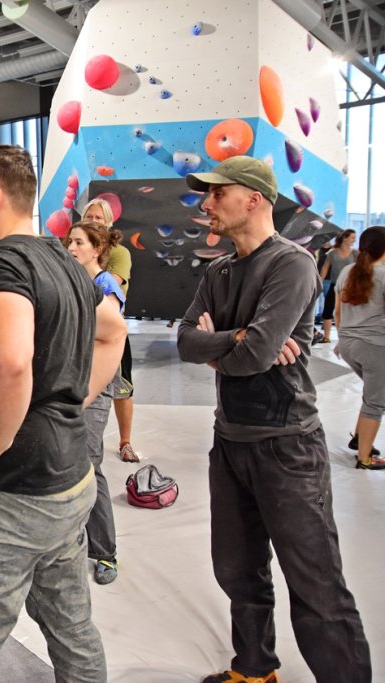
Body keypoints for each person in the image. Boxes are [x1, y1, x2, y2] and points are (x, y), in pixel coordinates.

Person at [0, 144, 126, 682]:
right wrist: (72, 399)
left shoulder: (0, 265)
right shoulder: (64, 260)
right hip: (70, 482)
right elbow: (115, 332)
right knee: (72, 630)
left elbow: (11, 362)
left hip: (13, 494)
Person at [177, 156, 370, 683]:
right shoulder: (218, 271)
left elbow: (257, 353)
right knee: (238, 573)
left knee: (317, 586)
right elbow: (184, 340)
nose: (206, 203)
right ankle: (255, 669)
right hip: (230, 440)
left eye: (218, 194)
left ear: (255, 199)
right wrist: (233, 343)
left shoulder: (292, 264)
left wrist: (229, 346)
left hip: (288, 447)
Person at [64, 220, 125, 585]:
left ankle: (105, 552)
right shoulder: (74, 281)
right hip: (71, 378)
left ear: (97, 249)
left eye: (79, 242)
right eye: (69, 240)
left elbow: (111, 336)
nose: (71, 247)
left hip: (98, 382)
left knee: (89, 463)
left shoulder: (105, 285)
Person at [82, 197, 140, 463]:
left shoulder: (119, 253)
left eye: (99, 217)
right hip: (81, 333)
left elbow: (110, 288)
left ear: (108, 222)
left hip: (110, 334)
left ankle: (125, 441)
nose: (93, 221)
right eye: (89, 216)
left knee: (122, 388)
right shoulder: (75, 249)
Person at [335, 226, 385, 469]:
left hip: (347, 344)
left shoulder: (348, 271)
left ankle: (359, 439)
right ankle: (365, 458)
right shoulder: (384, 274)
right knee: (376, 401)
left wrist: (341, 337)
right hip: (375, 346)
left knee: (372, 394)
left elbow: (337, 311)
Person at [318, 229, 356, 344]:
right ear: (345, 238)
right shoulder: (332, 252)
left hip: (350, 287)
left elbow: (359, 269)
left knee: (347, 312)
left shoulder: (355, 253)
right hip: (334, 285)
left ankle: (344, 337)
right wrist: (320, 281)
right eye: (352, 237)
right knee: (328, 310)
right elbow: (325, 268)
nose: (354, 240)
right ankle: (327, 337)